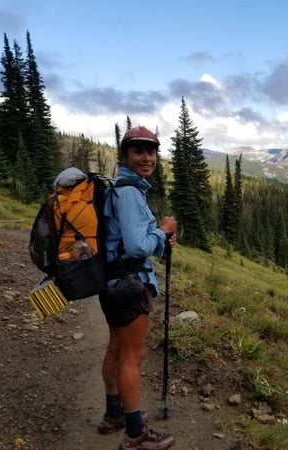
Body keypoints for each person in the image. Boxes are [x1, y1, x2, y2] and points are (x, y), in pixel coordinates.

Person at [97, 125, 177, 450]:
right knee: (132, 357)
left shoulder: (121, 187)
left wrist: (159, 239)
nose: (147, 158)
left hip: (112, 282)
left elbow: (130, 240)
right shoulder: (129, 192)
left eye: (151, 151)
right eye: (139, 151)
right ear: (125, 155)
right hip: (130, 285)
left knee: (117, 347)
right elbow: (135, 246)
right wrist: (162, 231)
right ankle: (135, 434)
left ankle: (114, 412)